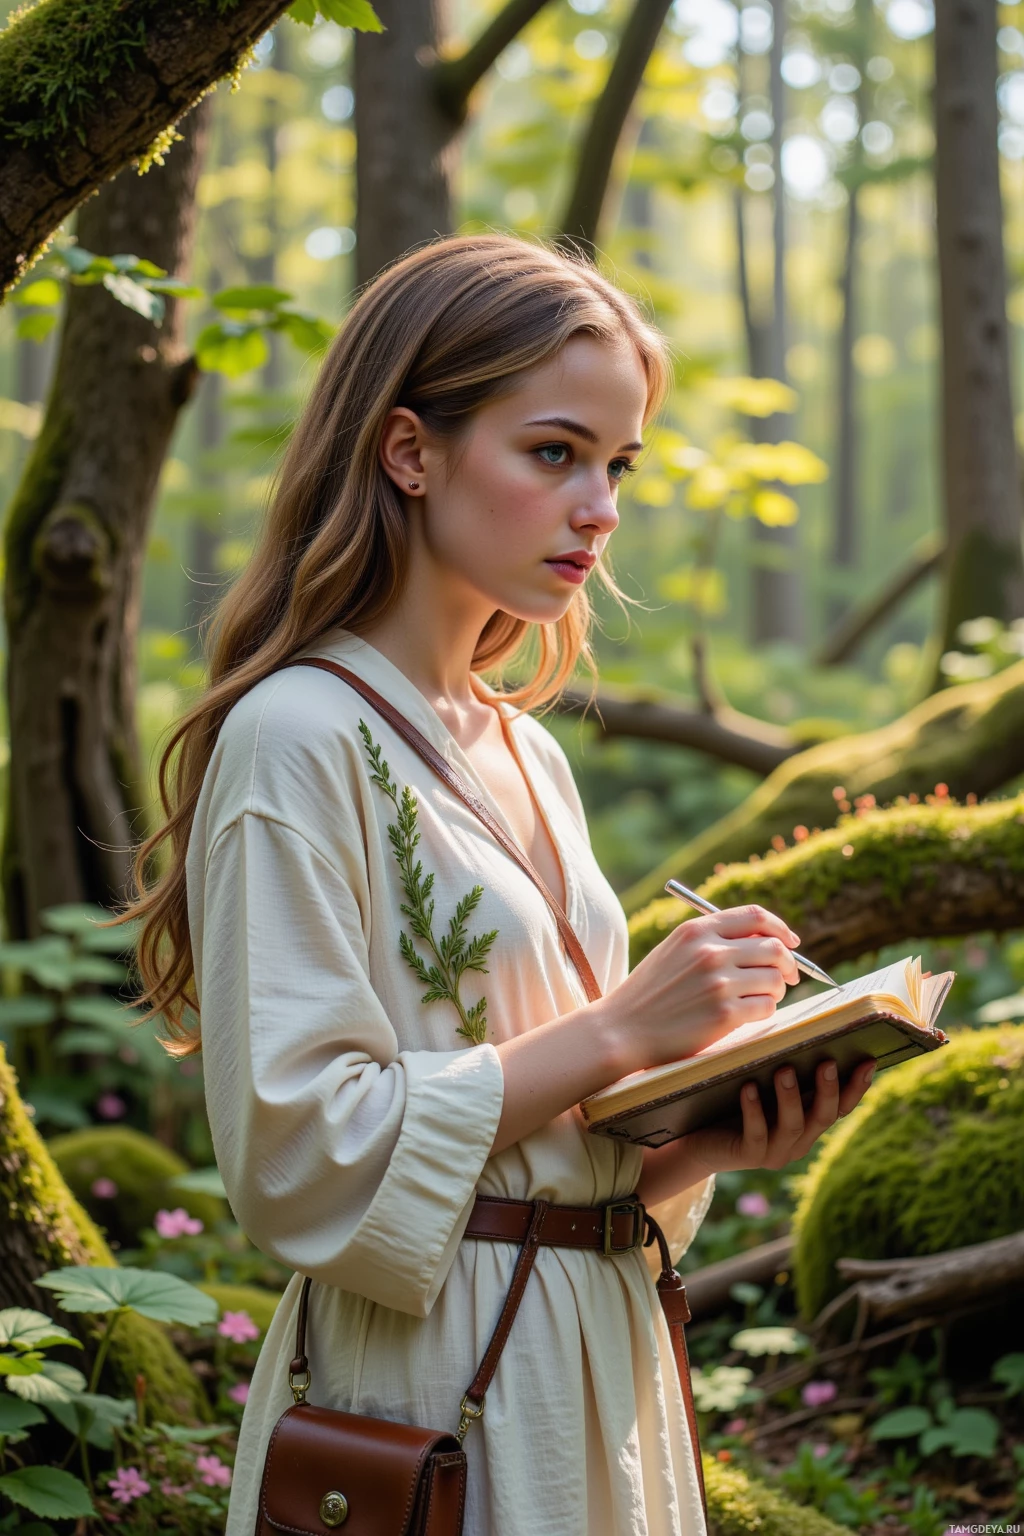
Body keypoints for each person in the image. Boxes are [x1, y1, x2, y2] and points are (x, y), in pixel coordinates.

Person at [124, 233, 876, 1536]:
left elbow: (533, 1154)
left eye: (618, 465)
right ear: (410, 452)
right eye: (554, 453)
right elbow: (298, 1146)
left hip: (591, 1344)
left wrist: (699, 1133)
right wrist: (624, 1029)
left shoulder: (525, 746)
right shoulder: (295, 736)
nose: (603, 508)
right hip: (429, 1389)